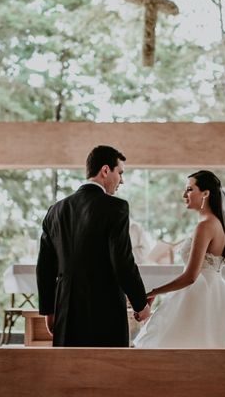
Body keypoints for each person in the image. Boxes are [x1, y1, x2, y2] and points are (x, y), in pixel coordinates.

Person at [134, 170, 225, 348]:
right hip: (215, 293)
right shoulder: (216, 223)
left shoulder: (205, 226)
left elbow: (190, 276)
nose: (184, 195)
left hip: (199, 294)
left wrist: (152, 292)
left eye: (189, 189)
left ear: (205, 193)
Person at [36, 145, 151, 347]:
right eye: (120, 173)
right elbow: (122, 261)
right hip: (104, 307)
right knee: (107, 371)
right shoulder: (116, 208)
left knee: (70, 372)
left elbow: (45, 267)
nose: (121, 180)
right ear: (105, 170)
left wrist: (49, 310)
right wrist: (140, 303)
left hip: (66, 306)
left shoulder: (55, 210)